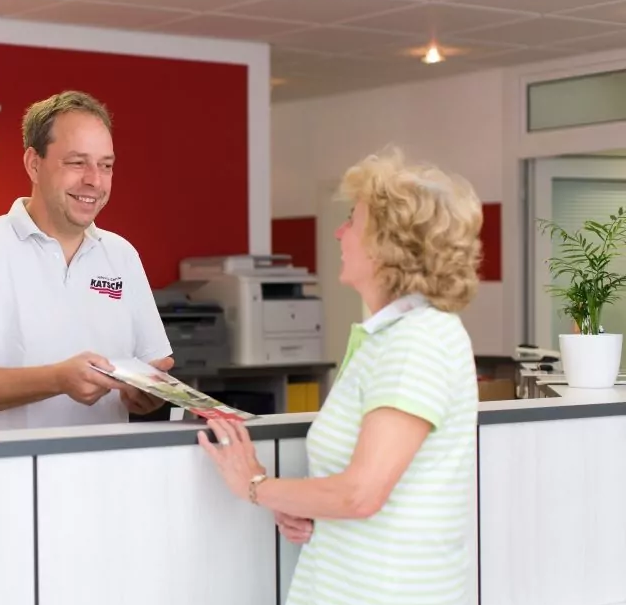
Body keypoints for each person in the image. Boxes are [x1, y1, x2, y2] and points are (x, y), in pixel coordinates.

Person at [199, 147, 482, 605]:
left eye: (352, 220)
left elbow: (361, 494)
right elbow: (361, 492)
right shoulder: (389, 337)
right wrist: (302, 505)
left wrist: (254, 485)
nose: (339, 232)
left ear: (387, 244)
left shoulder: (419, 340)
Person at [0, 91, 173, 432]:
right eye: (77, 162)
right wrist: (57, 380)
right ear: (34, 164)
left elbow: (151, 368)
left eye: (106, 165)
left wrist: (148, 393)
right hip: (12, 465)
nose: (94, 180)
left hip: (105, 463)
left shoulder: (122, 255)